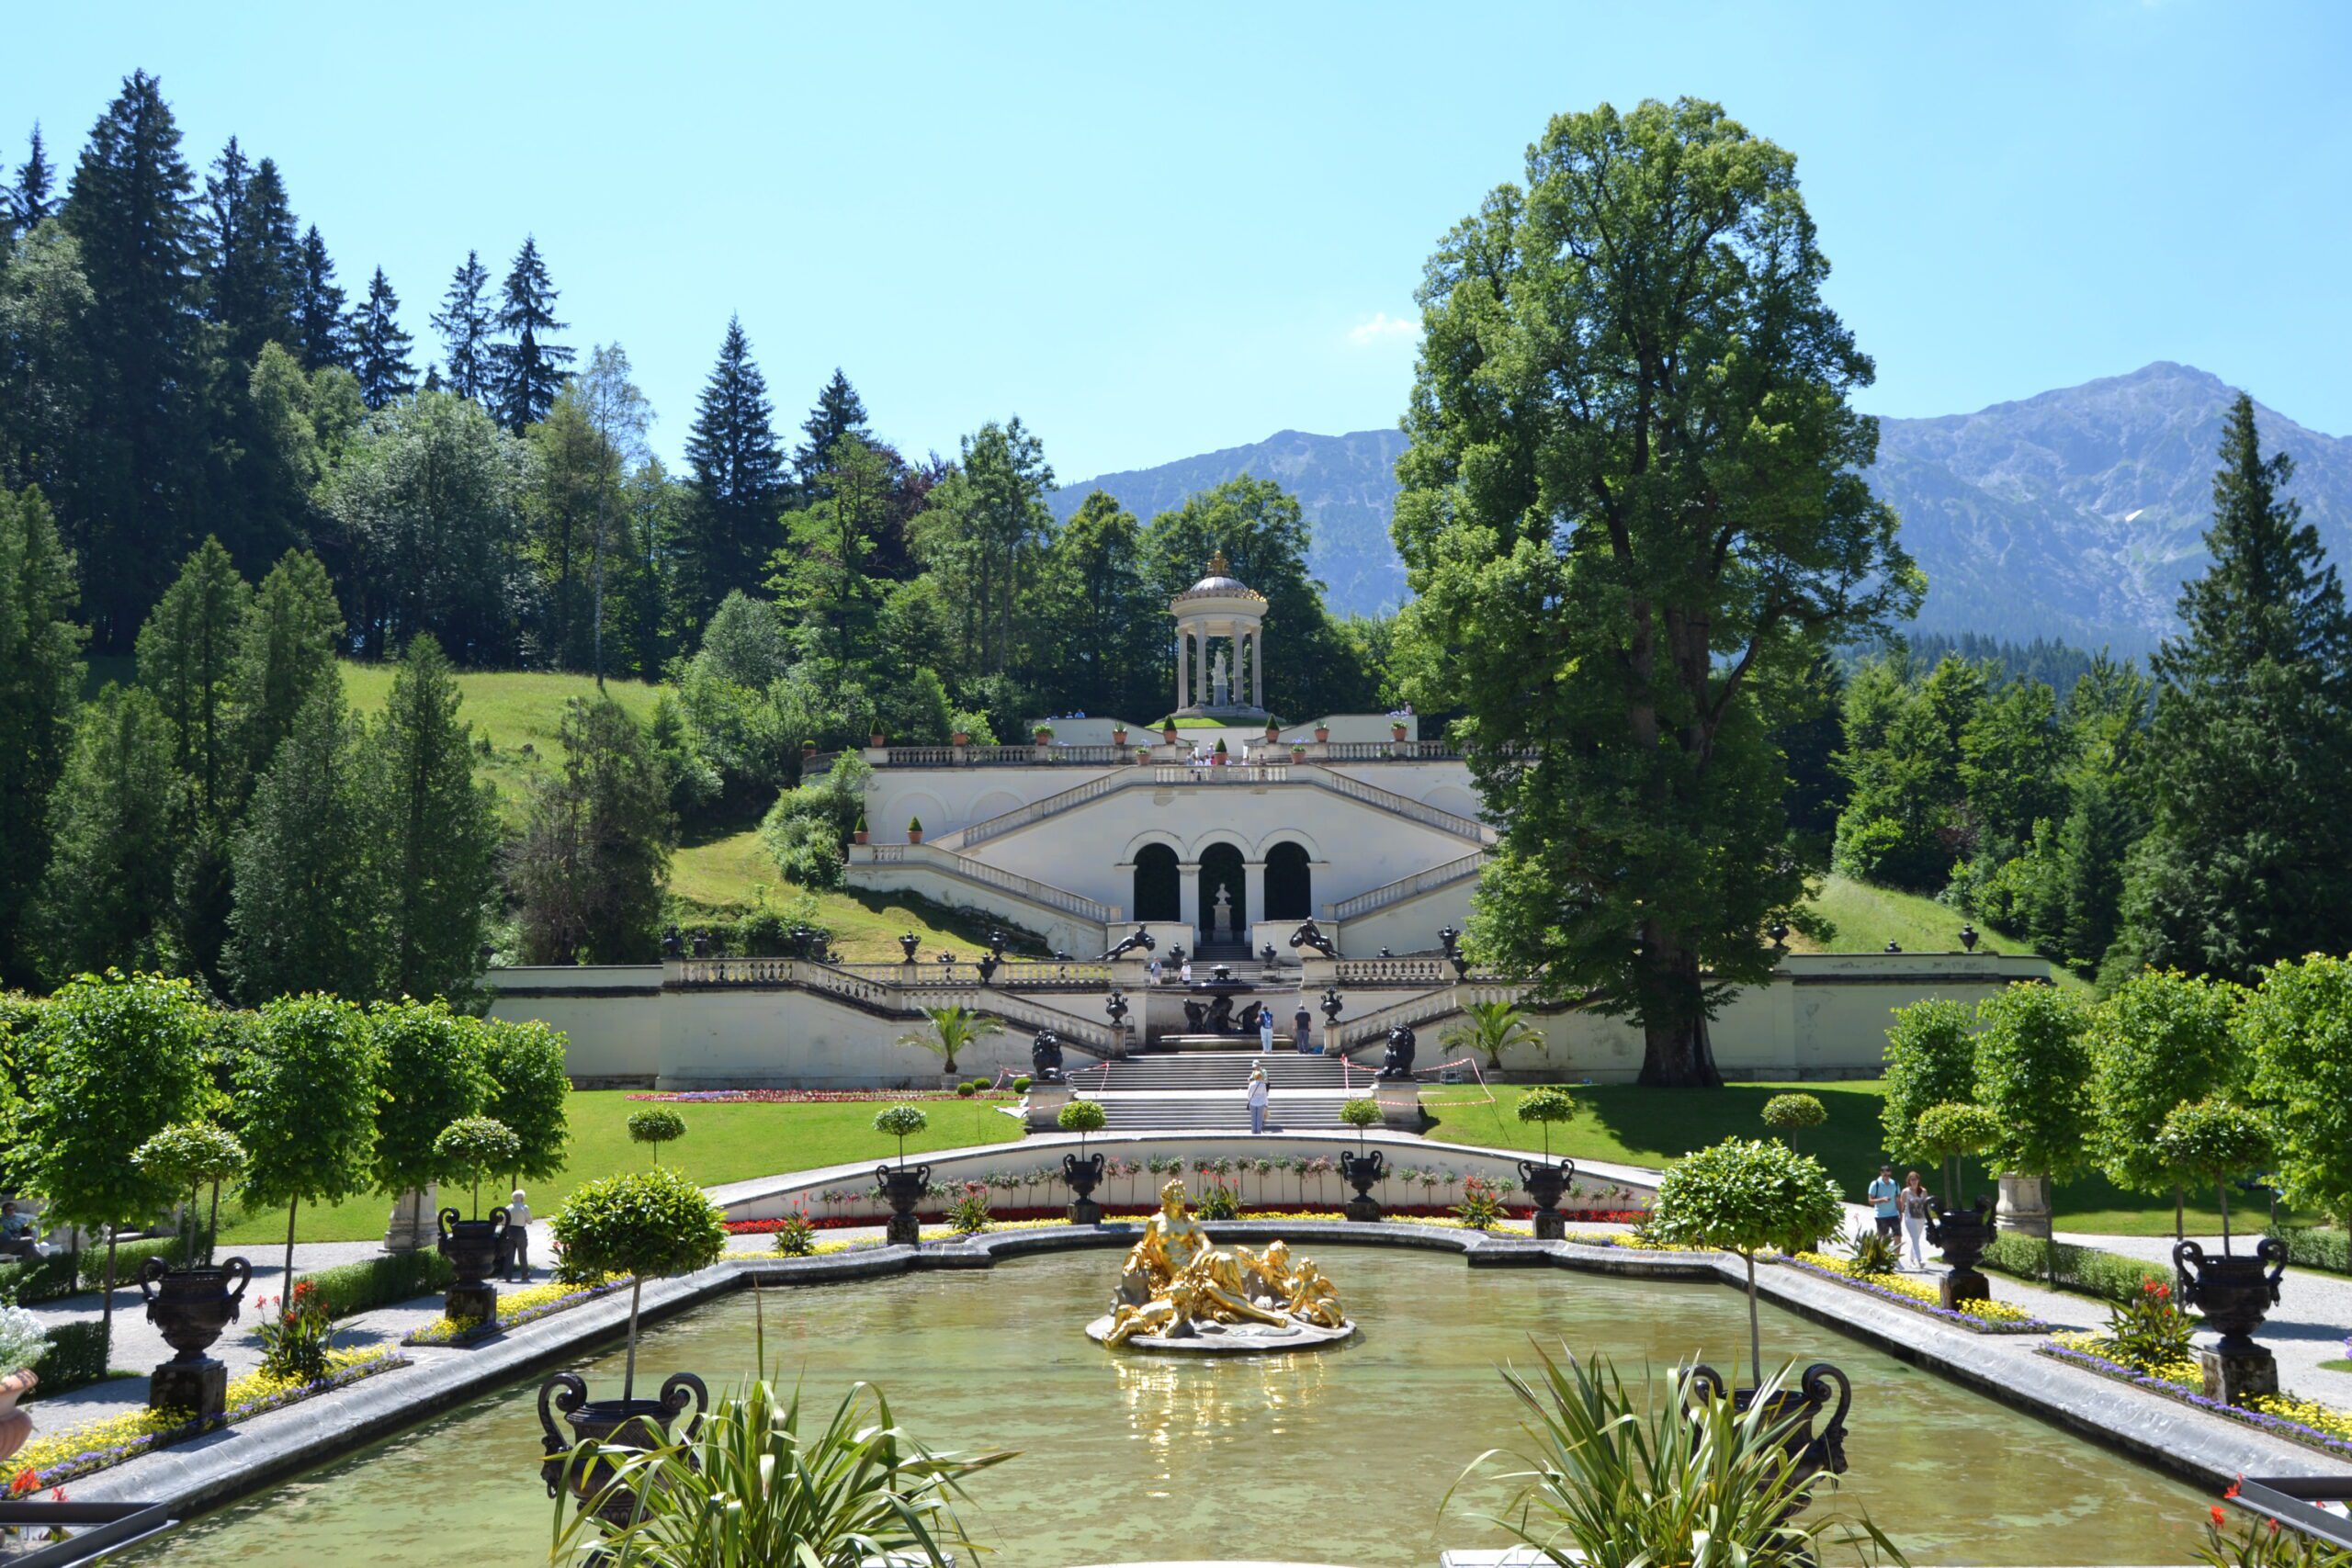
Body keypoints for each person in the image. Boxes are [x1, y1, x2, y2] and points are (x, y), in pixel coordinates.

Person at [1899, 1170, 1932, 1269]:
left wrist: (1929, 1217)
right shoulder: (1905, 1191)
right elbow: (1901, 1206)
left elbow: (1927, 1205)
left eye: (1916, 1179)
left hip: (1921, 1218)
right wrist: (1899, 1216)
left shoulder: (1923, 1191)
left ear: (1918, 1180)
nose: (1914, 1181)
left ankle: (1911, 1260)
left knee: (1916, 1239)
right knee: (1914, 1238)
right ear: (1909, 1181)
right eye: (1912, 1179)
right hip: (1910, 1218)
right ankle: (1920, 1260)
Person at [503, 1190, 533, 1281]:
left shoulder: (508, 1207)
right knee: (522, 1254)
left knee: (509, 1255)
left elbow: (503, 1221)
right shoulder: (524, 1207)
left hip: (509, 1231)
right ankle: (524, 1274)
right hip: (520, 1231)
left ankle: (507, 1276)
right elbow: (529, 1221)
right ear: (521, 1198)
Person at [1867, 1165, 1900, 1241]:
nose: (1887, 1177)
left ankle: (1896, 1253)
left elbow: (1898, 1199)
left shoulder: (1895, 1184)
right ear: (1881, 1173)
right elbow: (1870, 1201)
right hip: (1881, 1215)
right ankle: (1882, 1253)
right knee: (1883, 1239)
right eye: (1885, 1175)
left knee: (1898, 1236)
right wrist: (1881, 1200)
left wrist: (1900, 1213)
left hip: (1894, 1214)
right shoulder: (1875, 1184)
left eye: (1888, 1175)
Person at [1247, 1065, 1270, 1134]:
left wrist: (1249, 1100)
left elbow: (1248, 1094)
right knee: (1259, 1119)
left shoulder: (1251, 1084)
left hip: (1253, 1103)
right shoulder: (1263, 1085)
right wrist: (1266, 1103)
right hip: (1261, 1103)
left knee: (1253, 1118)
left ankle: (1253, 1132)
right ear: (1260, 1077)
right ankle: (1258, 1133)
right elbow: (1265, 1095)